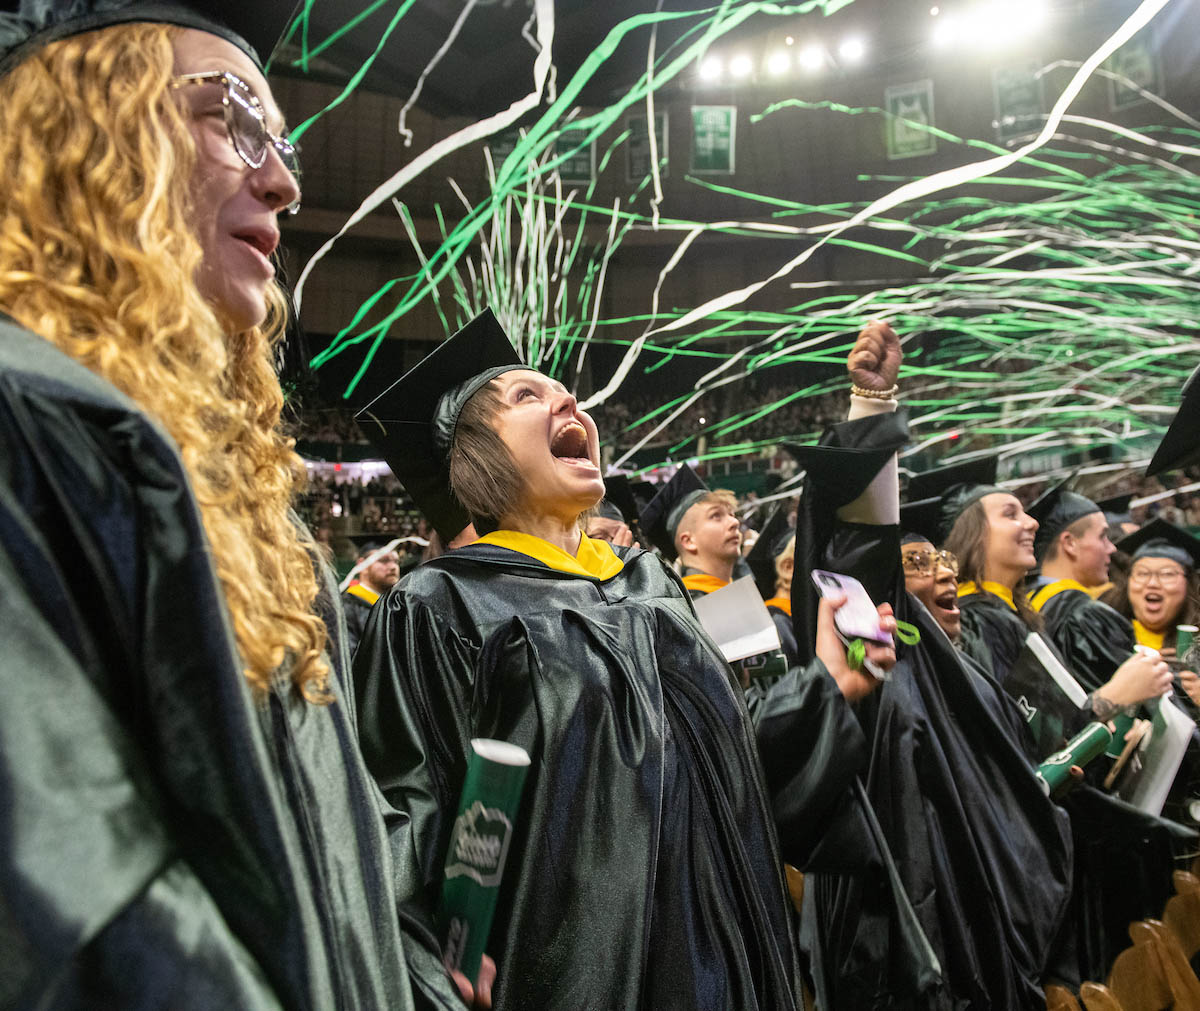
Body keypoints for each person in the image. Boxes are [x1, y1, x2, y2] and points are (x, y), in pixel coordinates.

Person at [0, 4, 427, 1006]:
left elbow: (326, 863)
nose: (280, 180)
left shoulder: (247, 518)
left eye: (281, 144)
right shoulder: (28, 436)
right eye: (232, 117)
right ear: (81, 134)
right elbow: (77, 905)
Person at [351, 308, 894, 1010]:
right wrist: (429, 967)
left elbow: (737, 777)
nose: (567, 400)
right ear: (476, 453)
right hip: (578, 981)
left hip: (734, 972)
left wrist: (828, 688)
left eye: (562, 390)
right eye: (525, 395)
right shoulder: (442, 606)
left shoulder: (655, 587)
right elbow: (403, 818)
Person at [786, 319, 1076, 1007]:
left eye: (943, 562)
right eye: (917, 564)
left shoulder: (962, 661)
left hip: (991, 939)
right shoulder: (885, 657)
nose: (942, 576)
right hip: (915, 945)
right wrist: (873, 411)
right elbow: (856, 558)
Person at [1026, 484, 1137, 694]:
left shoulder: (1028, 602)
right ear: (1070, 543)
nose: (1111, 547)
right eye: (1102, 536)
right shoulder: (1084, 615)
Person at [640, 464, 741, 598]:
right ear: (688, 541)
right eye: (716, 516)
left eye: (731, 515)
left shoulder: (739, 597)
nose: (735, 522)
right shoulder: (684, 608)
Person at [342, 538, 402, 655]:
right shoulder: (347, 607)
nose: (393, 567)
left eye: (396, 561)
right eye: (384, 560)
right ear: (362, 565)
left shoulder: (400, 603)